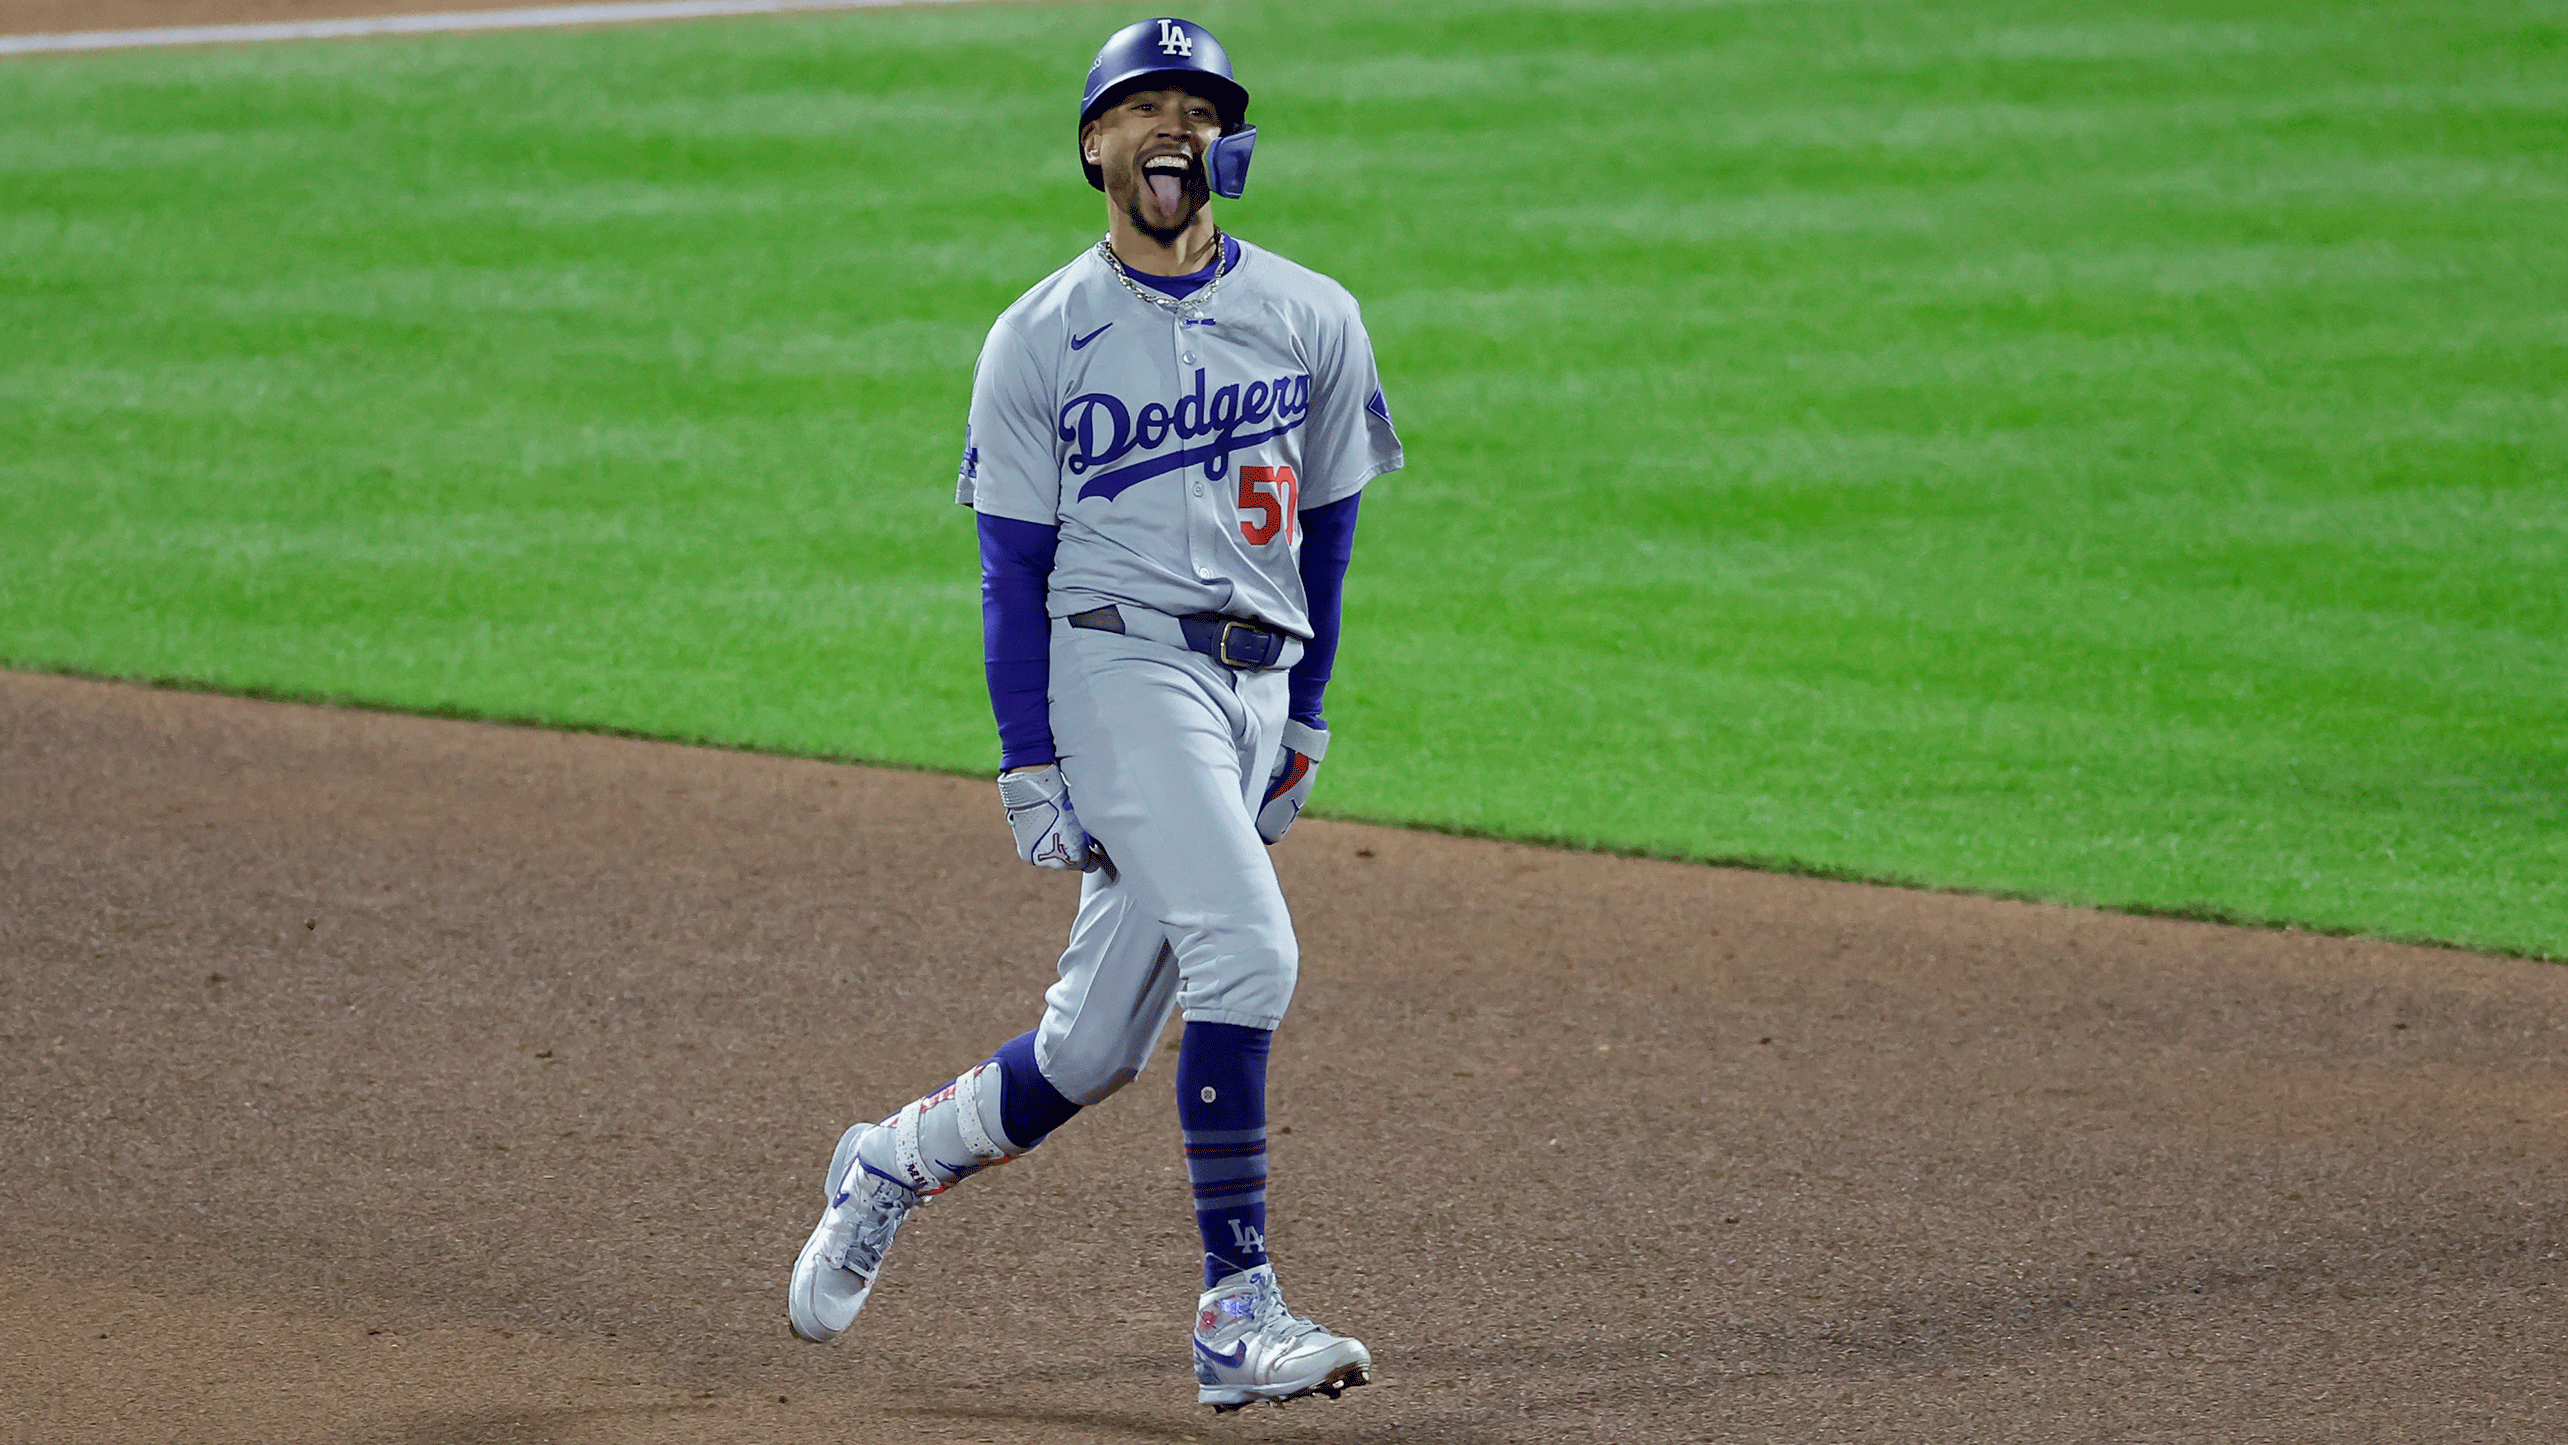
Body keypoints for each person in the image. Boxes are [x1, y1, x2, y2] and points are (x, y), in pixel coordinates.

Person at [786, 15, 1403, 1413]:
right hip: (1120, 677)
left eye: (1194, 105)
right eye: (1141, 106)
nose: (1170, 126)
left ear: (1222, 142)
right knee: (1248, 959)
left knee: (1090, 1051)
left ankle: (889, 1159)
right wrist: (1028, 759)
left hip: (1252, 689)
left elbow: (1333, 534)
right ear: (1095, 145)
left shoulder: (1316, 315)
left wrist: (1303, 715)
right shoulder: (1038, 338)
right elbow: (1012, 570)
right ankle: (1234, 1315)